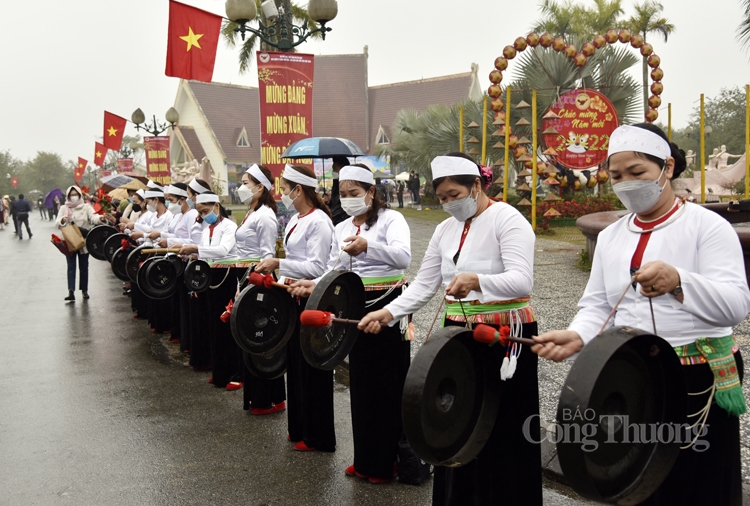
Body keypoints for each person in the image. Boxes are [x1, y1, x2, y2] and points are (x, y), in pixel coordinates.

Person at [532, 123, 750, 506]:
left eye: (637, 173)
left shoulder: (707, 228)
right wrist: (579, 336)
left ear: (666, 168)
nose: (626, 183)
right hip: (635, 376)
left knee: (700, 485)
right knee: (639, 484)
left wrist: (680, 281)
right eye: (616, 176)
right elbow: (598, 303)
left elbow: (736, 305)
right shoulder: (613, 235)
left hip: (696, 374)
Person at [359, 153, 542, 504]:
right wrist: (387, 313)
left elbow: (522, 280)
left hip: (503, 336)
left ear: (477, 185)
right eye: (442, 198)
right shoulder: (444, 230)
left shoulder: (507, 219)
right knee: (453, 425)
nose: (448, 204)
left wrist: (477, 281)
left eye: (455, 195)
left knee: (500, 430)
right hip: (457, 336)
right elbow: (425, 284)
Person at [289, 163, 411, 482]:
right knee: (361, 383)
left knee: (385, 384)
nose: (348, 200)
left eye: (354, 193)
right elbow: (332, 268)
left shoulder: (391, 220)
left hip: (387, 305)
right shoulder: (342, 228)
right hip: (353, 307)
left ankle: (387, 462)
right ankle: (366, 458)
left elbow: (403, 257)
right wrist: (312, 284)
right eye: (343, 195)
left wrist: (369, 245)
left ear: (371, 192)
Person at [255, 165, 334, 438]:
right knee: (296, 365)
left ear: (299, 190)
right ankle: (300, 427)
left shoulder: (320, 221)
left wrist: (279, 262)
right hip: (292, 296)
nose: (283, 195)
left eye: (286, 189)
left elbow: (317, 267)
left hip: (311, 297)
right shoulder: (296, 219)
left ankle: (317, 433)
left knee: (311, 367)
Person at [177, 192, 244, 390]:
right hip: (210, 280)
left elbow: (223, 250)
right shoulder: (207, 230)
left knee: (228, 326)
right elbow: (205, 253)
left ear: (216, 205)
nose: (204, 215)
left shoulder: (230, 226)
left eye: (206, 211)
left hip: (227, 278)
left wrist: (196, 249)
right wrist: (194, 256)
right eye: (200, 212)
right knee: (214, 326)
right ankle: (220, 372)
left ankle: (236, 373)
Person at [235, 164, 287, 403]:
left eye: (245, 183)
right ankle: (256, 397)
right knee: (249, 338)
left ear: (259, 187)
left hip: (259, 280)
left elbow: (267, 255)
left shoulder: (265, 216)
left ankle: (270, 398)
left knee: (262, 338)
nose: (241, 188)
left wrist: (259, 284)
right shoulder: (251, 212)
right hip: (246, 277)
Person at [55, 185, 108, 301]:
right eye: (71, 195)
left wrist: (101, 219)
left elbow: (94, 217)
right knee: (71, 267)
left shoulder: (86, 207)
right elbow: (57, 223)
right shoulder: (64, 208)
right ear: (68, 196)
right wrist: (62, 220)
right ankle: (71, 291)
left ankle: (84, 290)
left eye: (75, 195)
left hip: (84, 241)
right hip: (70, 241)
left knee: (84, 267)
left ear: (80, 195)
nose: (73, 197)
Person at [328, 155, 349, 226]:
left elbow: (339, 208)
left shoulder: (347, 186)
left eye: (334, 169)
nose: (333, 172)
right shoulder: (336, 184)